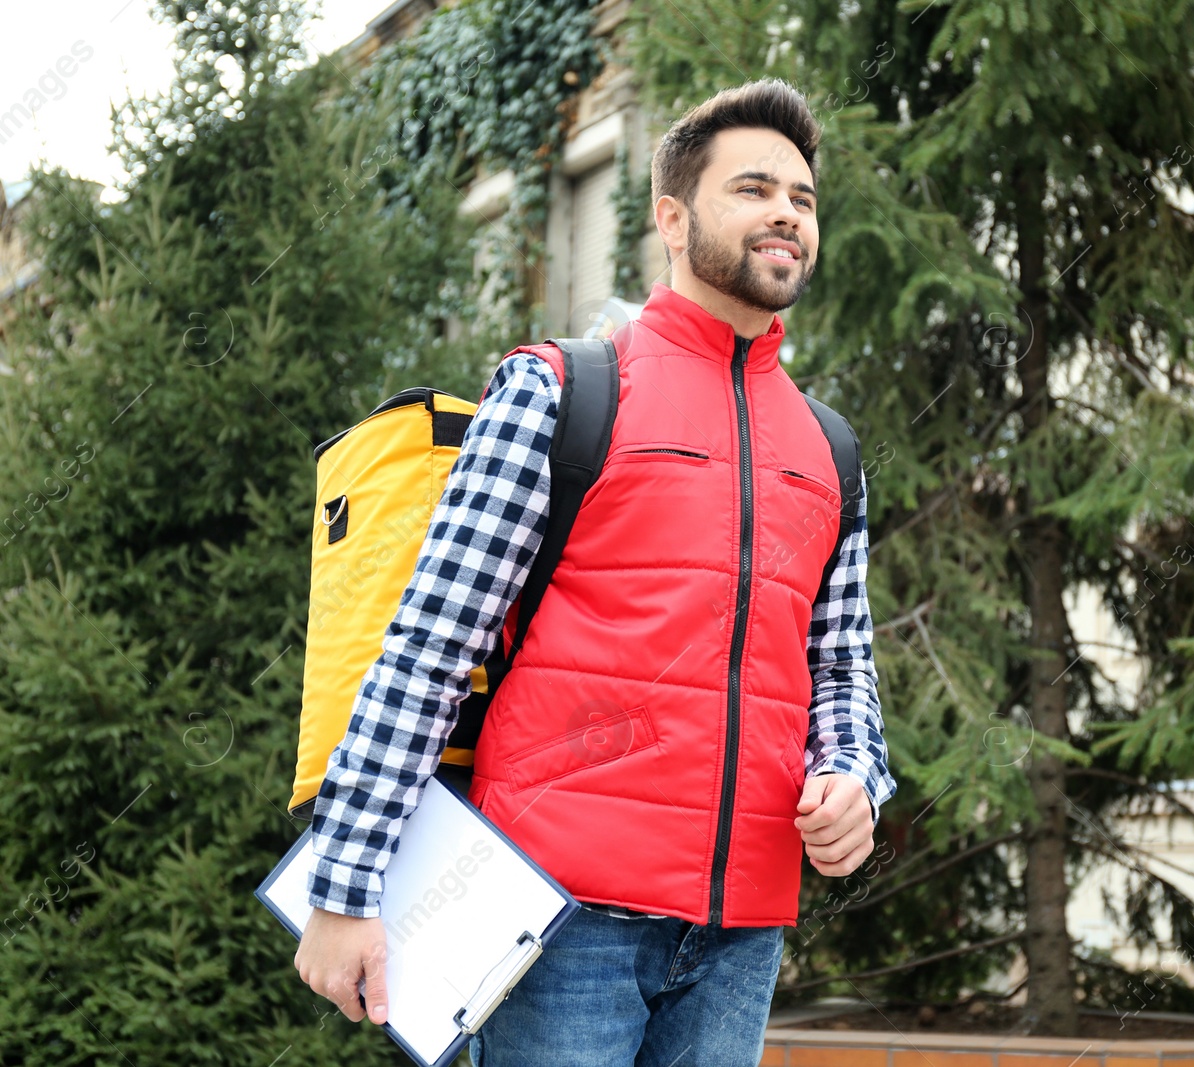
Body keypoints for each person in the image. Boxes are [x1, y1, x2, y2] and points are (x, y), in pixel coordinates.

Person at [292, 79, 896, 1064]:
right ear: (671, 214)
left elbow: (842, 666)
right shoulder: (563, 388)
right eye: (753, 187)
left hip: (741, 930)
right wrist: (344, 882)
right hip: (561, 917)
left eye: (803, 196)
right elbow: (429, 643)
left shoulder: (828, 447)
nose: (786, 210)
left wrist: (852, 773)